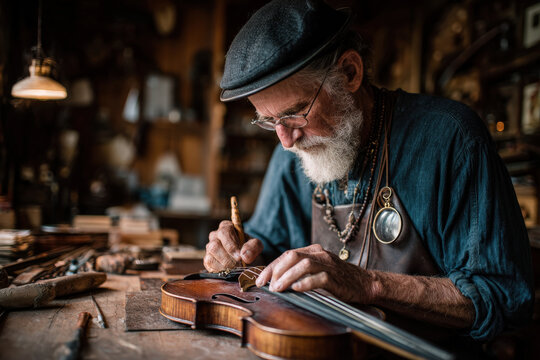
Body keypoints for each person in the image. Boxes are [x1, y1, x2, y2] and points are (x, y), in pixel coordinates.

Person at [203, 0, 533, 343]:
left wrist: (367, 284)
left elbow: (502, 296)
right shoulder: (292, 156)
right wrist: (235, 254)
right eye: (270, 121)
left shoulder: (452, 139)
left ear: (349, 73)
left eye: (297, 111)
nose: (285, 140)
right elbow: (265, 248)